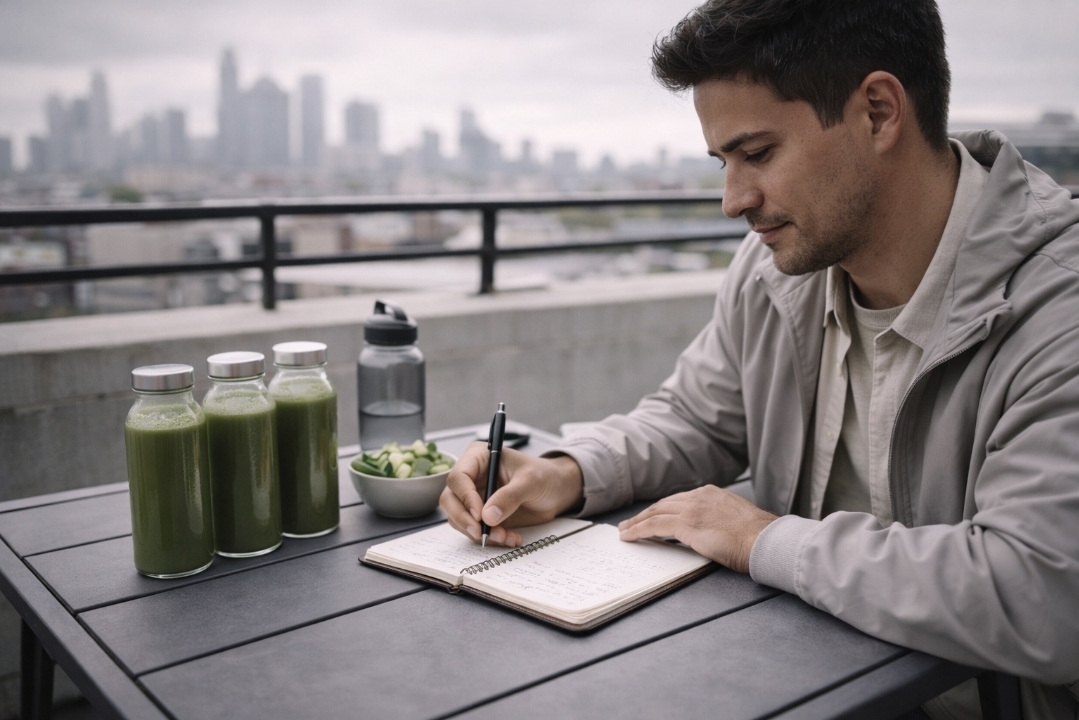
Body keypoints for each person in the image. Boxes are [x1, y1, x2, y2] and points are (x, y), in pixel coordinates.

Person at [440, 1, 1079, 717]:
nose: (732, 200)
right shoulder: (776, 266)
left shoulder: (1058, 305)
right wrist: (567, 470)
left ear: (876, 111)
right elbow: (696, 420)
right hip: (797, 684)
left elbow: (1038, 592)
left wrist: (763, 540)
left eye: (757, 154)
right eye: (722, 162)